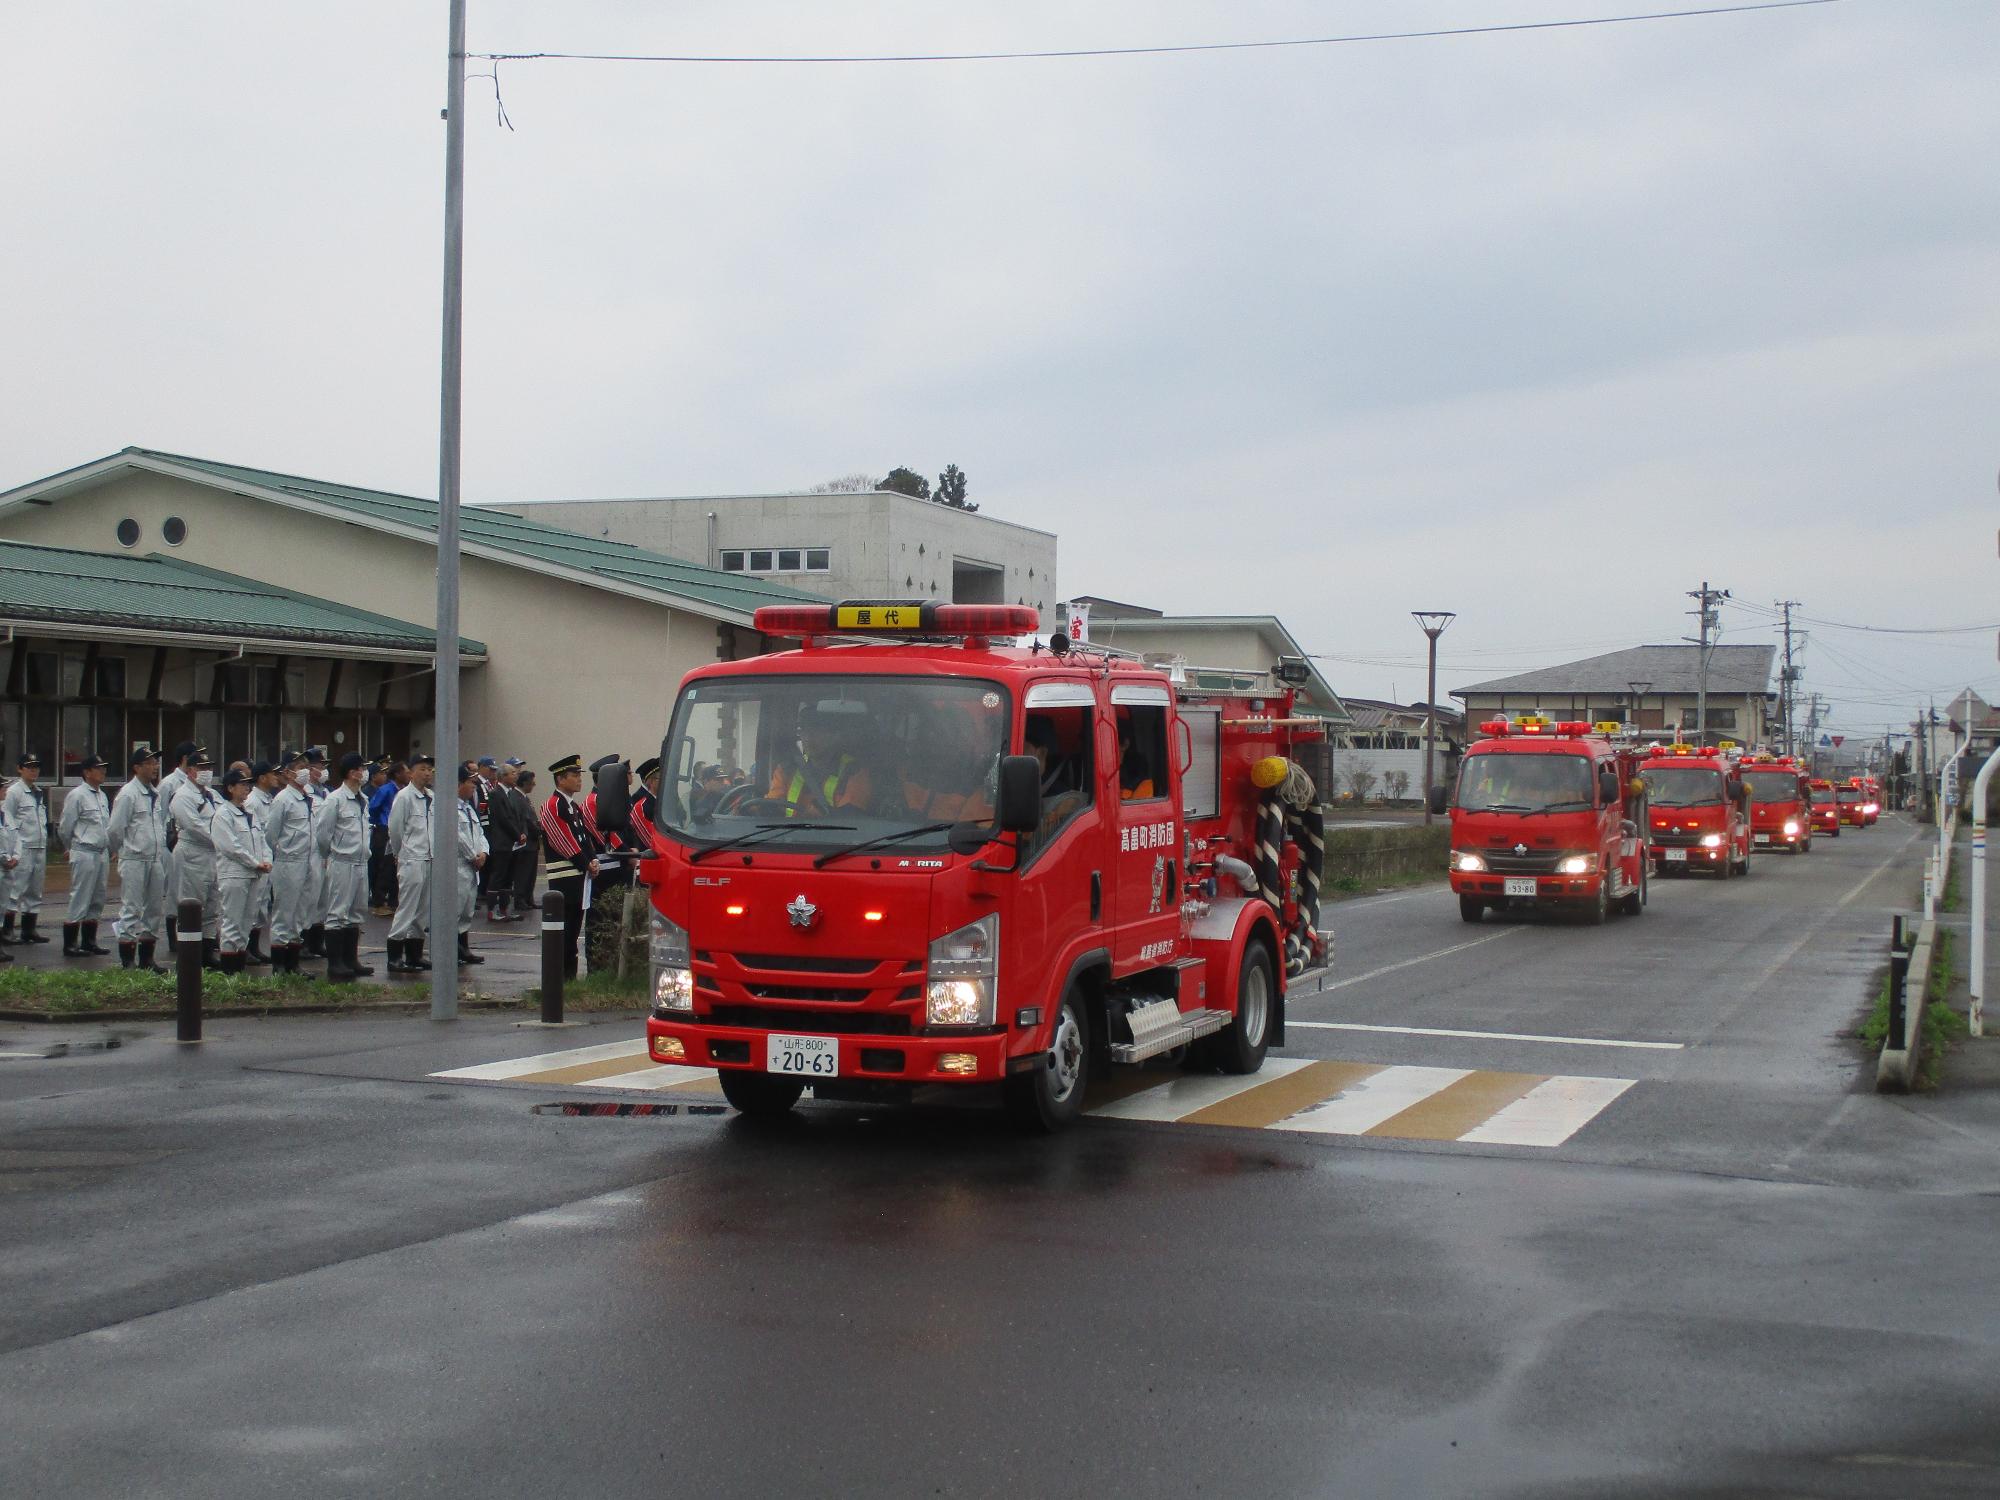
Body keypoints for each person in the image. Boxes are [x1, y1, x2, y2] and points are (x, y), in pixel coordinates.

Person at [539, 754, 604, 979]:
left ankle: (570, 977)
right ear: (560, 779)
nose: (579, 779)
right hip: (564, 877)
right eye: (574, 775)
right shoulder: (552, 806)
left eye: (579, 775)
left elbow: (584, 836)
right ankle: (560, 979)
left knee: (574, 929)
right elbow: (563, 839)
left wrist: (593, 858)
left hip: (579, 876)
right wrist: (585, 862)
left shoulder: (573, 806)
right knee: (563, 930)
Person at [107, 744, 170, 972]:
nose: (155, 767)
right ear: (136, 767)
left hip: (154, 858)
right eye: (149, 763)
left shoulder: (155, 793)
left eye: (155, 763)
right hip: (134, 857)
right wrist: (121, 850)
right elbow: (115, 829)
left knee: (154, 909)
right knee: (132, 908)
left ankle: (147, 959)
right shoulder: (128, 794)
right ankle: (127, 961)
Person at [315, 752, 375, 980]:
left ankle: (351, 959)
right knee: (337, 912)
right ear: (352, 772)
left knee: (356, 912)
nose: (365, 772)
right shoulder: (335, 800)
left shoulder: (363, 799)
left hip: (361, 861)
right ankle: (335, 963)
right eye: (362, 768)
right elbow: (323, 834)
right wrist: (330, 854)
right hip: (342, 861)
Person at [211, 767, 273, 974]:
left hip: (254, 874)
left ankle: (239, 968)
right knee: (233, 922)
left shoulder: (250, 813)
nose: (247, 788)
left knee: (246, 922)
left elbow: (262, 840)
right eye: (242, 784)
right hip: (234, 874)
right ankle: (229, 971)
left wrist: (266, 859)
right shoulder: (222, 814)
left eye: (248, 784)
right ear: (230, 788)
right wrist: (255, 862)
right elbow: (231, 847)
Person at [263, 749, 319, 974]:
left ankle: (293, 962)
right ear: (287, 773)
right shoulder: (282, 799)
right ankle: (278, 963)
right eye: (298, 767)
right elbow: (271, 834)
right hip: (288, 860)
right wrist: (284, 851)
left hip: (308, 860)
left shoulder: (308, 797)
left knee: (301, 912)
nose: (304, 771)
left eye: (305, 766)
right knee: (284, 912)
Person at [170, 749, 225, 969]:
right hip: (192, 853)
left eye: (208, 768)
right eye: (201, 768)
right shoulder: (182, 796)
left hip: (212, 854)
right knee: (192, 906)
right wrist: (221, 839)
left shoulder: (212, 794)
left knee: (212, 905)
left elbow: (224, 817)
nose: (206, 772)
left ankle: (207, 952)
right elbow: (194, 826)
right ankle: (188, 955)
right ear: (190, 771)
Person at [56, 754, 113, 958]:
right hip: (84, 850)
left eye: (103, 768)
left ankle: (89, 941)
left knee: (98, 898)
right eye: (98, 768)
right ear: (87, 772)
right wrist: (69, 846)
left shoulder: (102, 795)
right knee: (81, 896)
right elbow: (65, 827)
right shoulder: (77, 795)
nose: (103, 772)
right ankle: (70, 943)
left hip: (101, 852)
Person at [769, 706, 873, 816]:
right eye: (804, 731)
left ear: (835, 735)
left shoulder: (853, 770)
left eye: (818, 731)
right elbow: (770, 807)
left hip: (835, 833)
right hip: (785, 832)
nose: (809, 738)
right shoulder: (787, 769)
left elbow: (852, 817)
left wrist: (821, 816)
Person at [385, 753, 436, 973]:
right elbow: (395, 829)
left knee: (422, 910)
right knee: (407, 907)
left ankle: (415, 954)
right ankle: (395, 956)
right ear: (412, 772)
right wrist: (400, 853)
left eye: (430, 770)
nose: (427, 773)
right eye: (423, 768)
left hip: (428, 857)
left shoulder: (432, 797)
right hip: (411, 858)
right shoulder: (404, 797)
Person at [2, 753, 51, 947]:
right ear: (20, 769)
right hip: (23, 847)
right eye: (29, 766)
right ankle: (6, 930)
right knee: (16, 890)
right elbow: (8, 819)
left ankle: (29, 929)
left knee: (35, 890)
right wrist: (13, 846)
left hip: (39, 846)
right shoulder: (15, 791)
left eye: (36, 767)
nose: (33, 770)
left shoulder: (38, 791)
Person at [156, 741, 198, 947]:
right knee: (174, 890)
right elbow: (160, 814)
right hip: (172, 844)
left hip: (193, 846)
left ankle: (188, 932)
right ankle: (173, 938)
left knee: (191, 890)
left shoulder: (196, 783)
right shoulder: (169, 783)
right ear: (184, 759)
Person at [244, 759, 282, 966]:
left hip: (268, 859)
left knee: (262, 905)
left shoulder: (269, 800)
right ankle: (247, 948)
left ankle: (255, 947)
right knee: (254, 904)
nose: (276, 778)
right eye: (272, 774)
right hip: (257, 861)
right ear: (262, 778)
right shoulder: (252, 802)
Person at [453, 762, 489, 966]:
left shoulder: (468, 808)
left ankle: (463, 947)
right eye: (470, 782)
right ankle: (452, 949)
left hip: (473, 866)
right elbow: (457, 836)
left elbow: (480, 834)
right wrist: (472, 855)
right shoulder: (449, 807)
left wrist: (484, 852)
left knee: (467, 909)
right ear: (459, 784)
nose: (474, 785)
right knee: (456, 908)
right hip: (459, 864)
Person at [484, 760, 523, 922]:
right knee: (498, 875)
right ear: (503, 776)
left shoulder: (511, 793)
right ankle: (492, 910)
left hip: (512, 842)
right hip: (501, 842)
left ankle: (504, 909)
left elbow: (515, 816)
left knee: (509, 877)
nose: (516, 775)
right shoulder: (495, 794)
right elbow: (503, 818)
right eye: (513, 773)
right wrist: (517, 834)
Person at [301, 747, 331, 958]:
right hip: (310, 850)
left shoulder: (327, 792)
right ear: (310, 769)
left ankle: (317, 941)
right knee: (309, 898)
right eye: (319, 766)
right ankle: (303, 942)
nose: (323, 769)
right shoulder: (305, 792)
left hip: (326, 851)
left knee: (323, 898)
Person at [369, 759, 404, 915]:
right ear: (397, 774)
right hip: (384, 829)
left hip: (397, 830)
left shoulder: (403, 790)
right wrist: (380, 824)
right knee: (383, 866)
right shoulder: (386, 789)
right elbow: (373, 808)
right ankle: (378, 902)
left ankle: (393, 901)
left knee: (394, 867)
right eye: (406, 771)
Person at [507, 769, 540, 917]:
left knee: (531, 873)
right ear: (525, 783)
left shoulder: (524, 798)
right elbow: (525, 820)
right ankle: (520, 899)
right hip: (525, 842)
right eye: (532, 782)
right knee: (523, 873)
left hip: (531, 842)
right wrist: (537, 830)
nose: (534, 784)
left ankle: (528, 898)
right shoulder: (516, 797)